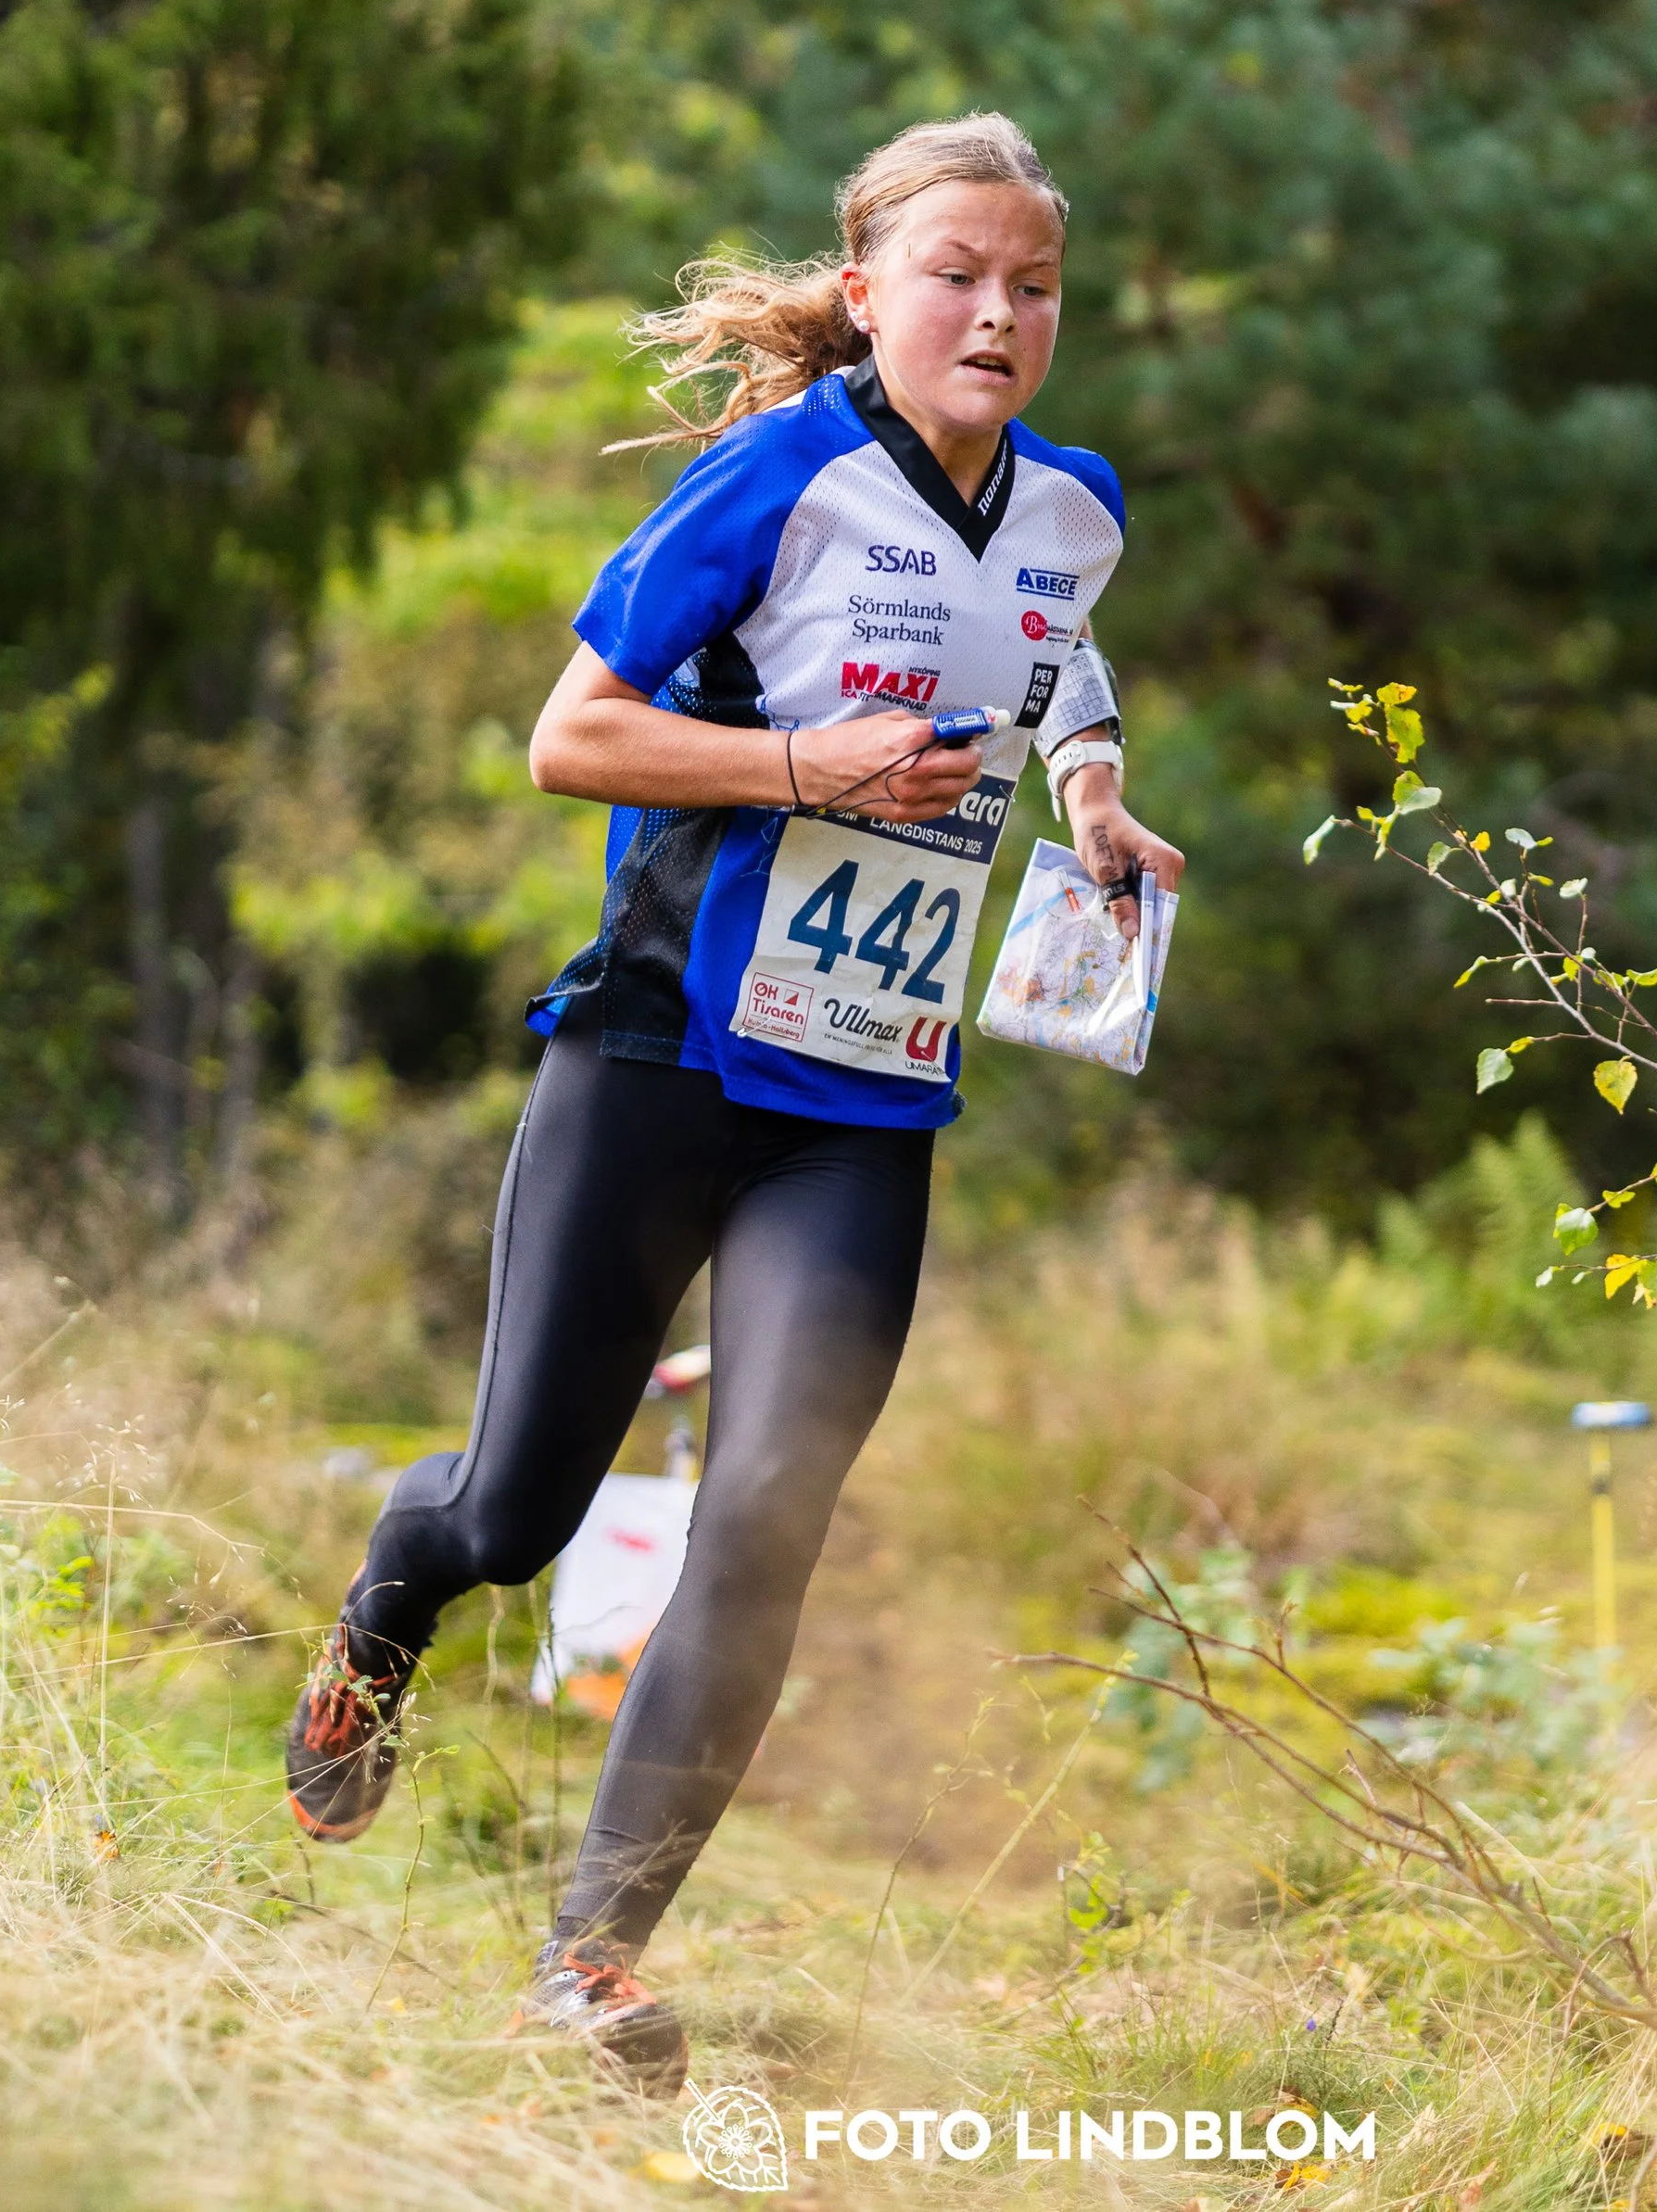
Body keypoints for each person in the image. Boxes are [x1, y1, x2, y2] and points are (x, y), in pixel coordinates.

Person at [282, 112, 1182, 2086]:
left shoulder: (1074, 504)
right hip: (654, 1057)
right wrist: (811, 774)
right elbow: (568, 735)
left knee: (767, 1509)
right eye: (956, 272)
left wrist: (1093, 787)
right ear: (866, 289)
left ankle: (591, 1955)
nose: (998, 312)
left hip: (863, 1098)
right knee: (516, 1509)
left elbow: (1057, 635)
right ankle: (386, 1595)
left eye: (1031, 284)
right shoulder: (775, 473)